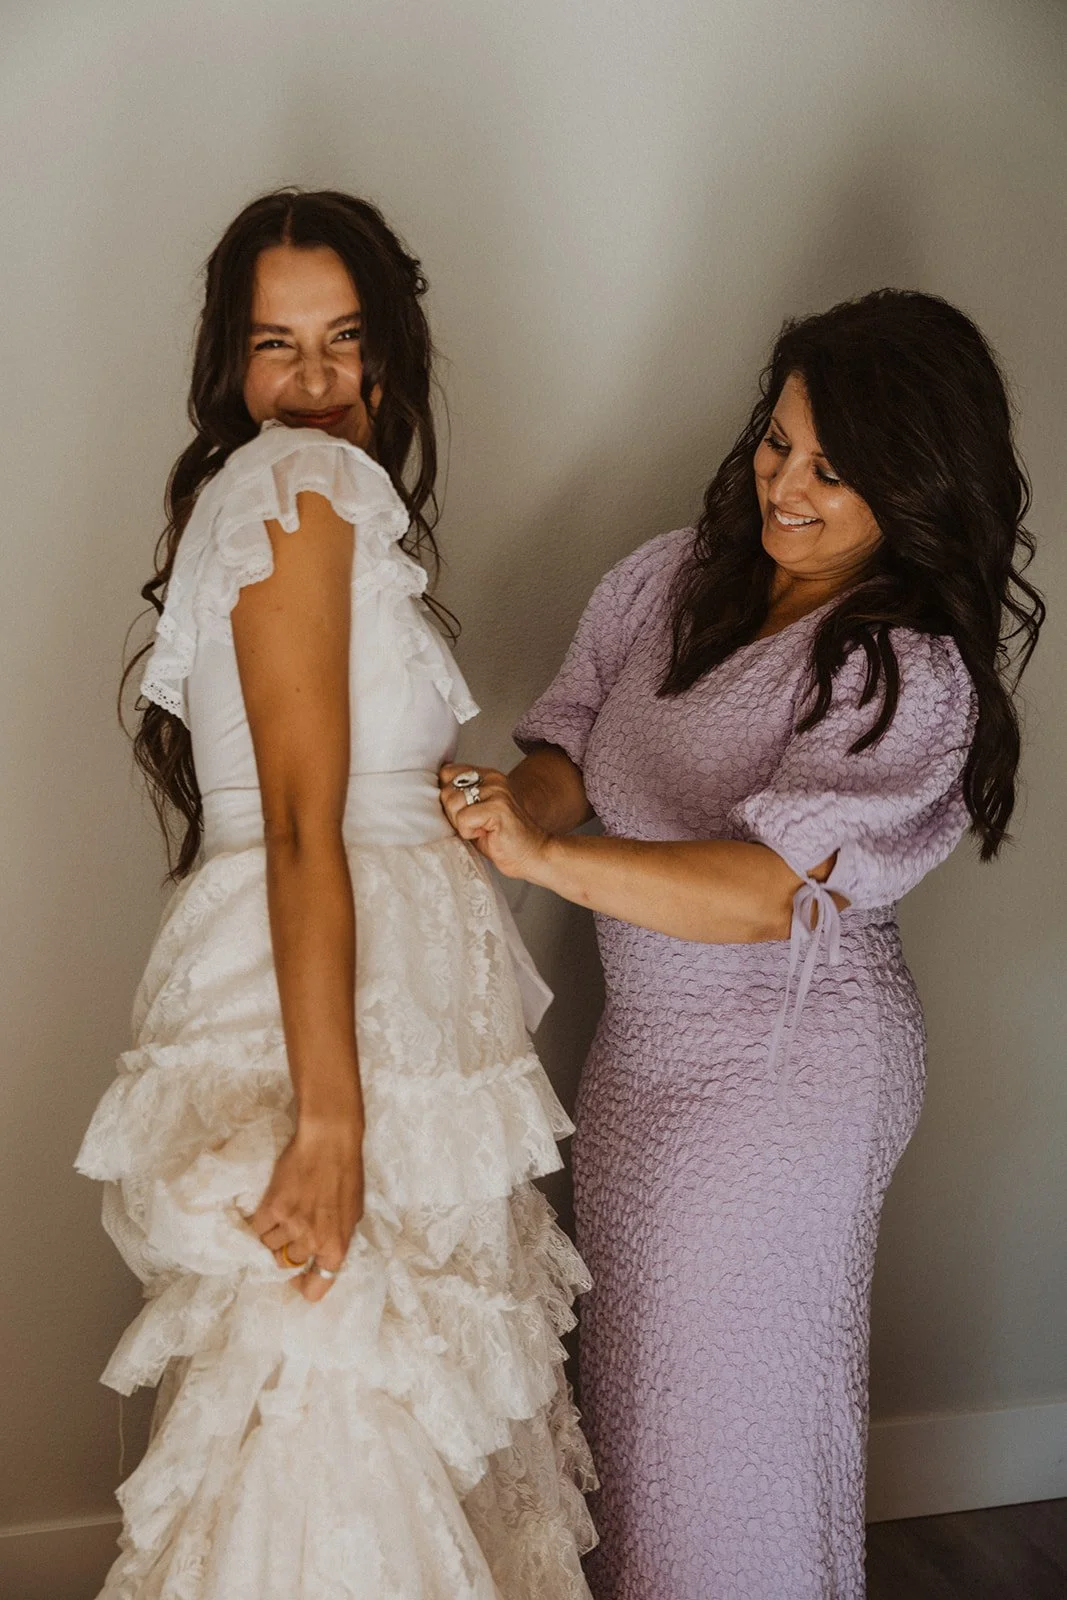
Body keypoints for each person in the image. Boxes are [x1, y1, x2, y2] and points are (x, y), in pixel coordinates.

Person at [439, 289, 1043, 1600]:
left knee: (736, 1445)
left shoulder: (899, 668)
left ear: (917, 487)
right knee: (640, 1421)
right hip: (644, 1058)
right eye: (779, 444)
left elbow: (777, 890)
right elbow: (570, 747)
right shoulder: (671, 576)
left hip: (789, 1074)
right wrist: (506, 812)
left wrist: (544, 860)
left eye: (835, 470)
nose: (788, 486)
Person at [76, 188, 596, 1600]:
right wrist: (329, 1120)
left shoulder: (292, 501)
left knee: (369, 1398)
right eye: (274, 345)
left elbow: (327, 783)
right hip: (333, 1015)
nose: (311, 383)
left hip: (357, 976)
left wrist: (430, 798)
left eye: (343, 340)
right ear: (230, 366)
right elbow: (303, 822)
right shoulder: (300, 485)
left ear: (390, 353)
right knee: (337, 1391)